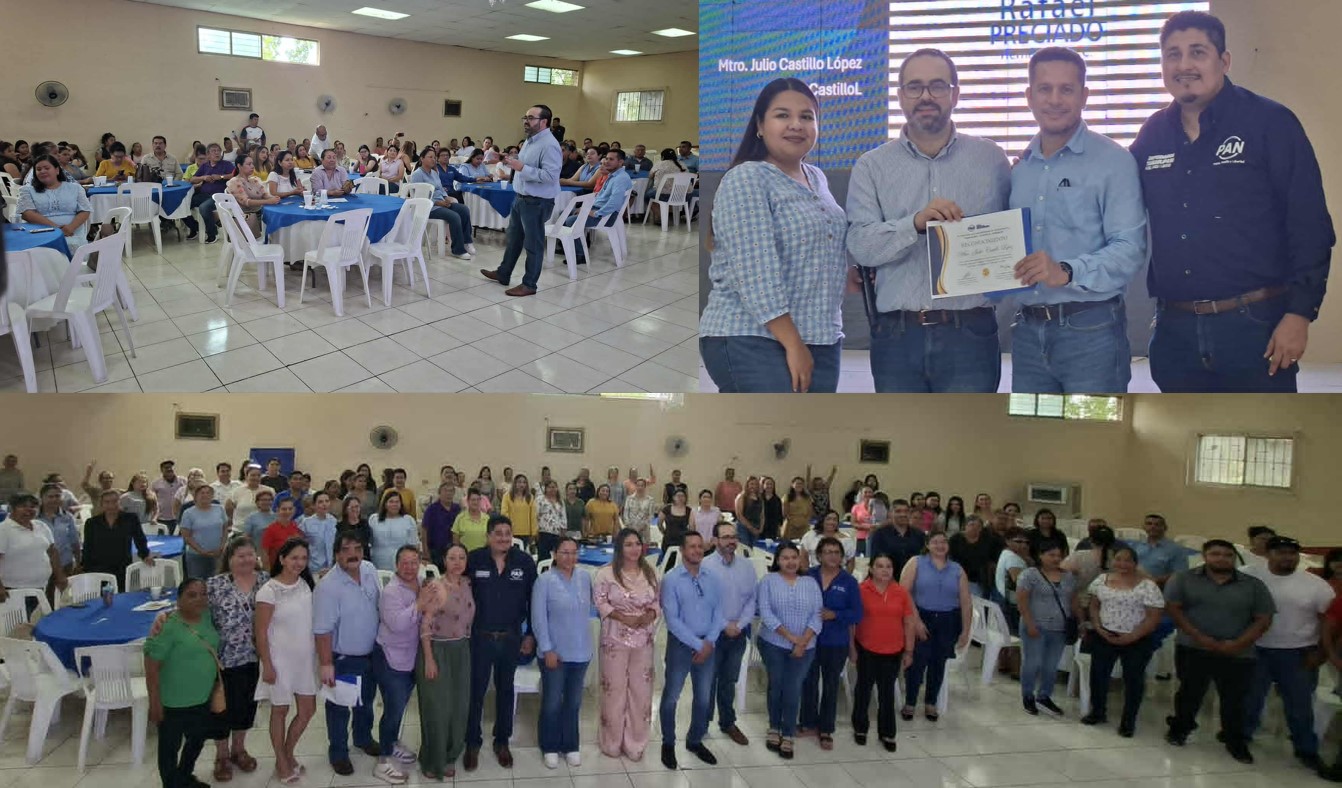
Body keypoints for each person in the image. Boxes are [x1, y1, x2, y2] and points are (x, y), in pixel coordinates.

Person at [1132, 11, 1334, 393]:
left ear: (1223, 61)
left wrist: (1299, 314)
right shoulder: (1153, 134)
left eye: (1197, 52)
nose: (1184, 65)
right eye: (1172, 54)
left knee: (1262, 443)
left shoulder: (1270, 122)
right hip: (1176, 335)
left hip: (1255, 326)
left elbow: (1309, 224)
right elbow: (1113, 198)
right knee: (1182, 446)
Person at [846, 48, 1012, 392]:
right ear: (900, 95)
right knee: (902, 439)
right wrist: (915, 224)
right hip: (896, 336)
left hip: (970, 334)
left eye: (937, 85)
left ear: (955, 93)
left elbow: (1013, 239)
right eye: (914, 87)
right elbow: (861, 245)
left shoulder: (993, 160)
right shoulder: (871, 166)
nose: (925, 96)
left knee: (967, 437)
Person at [1007, 49, 1148, 389]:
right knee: (1033, 436)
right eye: (1044, 89)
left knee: (1091, 437)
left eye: (1066, 89)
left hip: (1091, 334)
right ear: (1029, 96)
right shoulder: (1018, 168)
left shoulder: (1114, 161)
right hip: (1027, 336)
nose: (1054, 99)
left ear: (1084, 95)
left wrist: (1067, 270)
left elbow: (1129, 249)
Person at [700, 78, 845, 393]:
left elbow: (817, 250)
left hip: (820, 335)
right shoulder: (747, 177)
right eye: (783, 115)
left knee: (810, 438)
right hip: (752, 336)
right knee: (772, 437)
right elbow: (755, 273)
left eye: (807, 116)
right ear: (760, 126)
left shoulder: (816, 178)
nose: (796, 125)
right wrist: (793, 344)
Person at [1163, 539, 1275, 763]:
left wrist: (1239, 643)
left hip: (1238, 652)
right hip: (1193, 648)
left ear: (1234, 558)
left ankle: (1235, 741)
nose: (1222, 558)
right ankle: (1180, 730)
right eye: (1215, 554)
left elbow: (1263, 619)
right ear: (1205, 556)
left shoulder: (1253, 585)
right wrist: (1201, 638)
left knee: (1235, 699)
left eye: (1227, 555)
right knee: (1189, 693)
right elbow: (1174, 610)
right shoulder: (1184, 579)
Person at [1241, 535, 1333, 769]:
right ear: (1268, 554)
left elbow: (1328, 623)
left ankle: (1306, 749)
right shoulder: (1249, 575)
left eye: (1291, 553)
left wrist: (1321, 653)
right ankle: (1241, 737)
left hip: (1298, 653)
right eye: (1280, 552)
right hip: (1256, 649)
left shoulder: (1315, 585)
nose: (1287, 557)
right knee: (1250, 699)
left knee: (1299, 706)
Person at [464, 516, 537, 770]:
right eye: (498, 533)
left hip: (511, 638)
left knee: (506, 691)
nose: (503, 537)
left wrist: (531, 635)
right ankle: (472, 742)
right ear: (488, 536)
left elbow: (533, 602)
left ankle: (502, 741)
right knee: (475, 692)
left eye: (507, 533)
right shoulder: (473, 560)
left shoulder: (525, 562)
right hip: (480, 638)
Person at [145, 577, 225, 788]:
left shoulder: (208, 616)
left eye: (203, 594)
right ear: (178, 600)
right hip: (173, 700)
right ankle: (172, 783)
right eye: (192, 595)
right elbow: (151, 664)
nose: (199, 599)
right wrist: (154, 702)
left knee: (197, 739)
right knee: (169, 748)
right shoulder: (168, 626)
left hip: (202, 696)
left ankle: (183, 777)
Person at [313, 533, 382, 777]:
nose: (353, 553)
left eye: (357, 547)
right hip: (343, 658)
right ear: (336, 554)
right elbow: (322, 630)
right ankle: (339, 753)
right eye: (346, 549)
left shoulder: (370, 569)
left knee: (365, 702)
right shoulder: (328, 587)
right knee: (339, 708)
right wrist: (326, 664)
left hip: (371, 654)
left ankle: (363, 738)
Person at [655, 531, 724, 769]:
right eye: (691, 546)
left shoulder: (712, 577)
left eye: (699, 546)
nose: (696, 550)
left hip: (709, 644)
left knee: (703, 697)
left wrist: (710, 642)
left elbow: (720, 613)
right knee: (671, 696)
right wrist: (698, 645)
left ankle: (695, 740)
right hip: (681, 645)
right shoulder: (672, 579)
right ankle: (668, 743)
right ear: (683, 551)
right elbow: (672, 620)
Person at [478, 103, 563, 297]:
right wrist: (511, 161)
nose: (526, 121)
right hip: (521, 198)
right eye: (525, 117)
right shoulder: (530, 141)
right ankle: (503, 272)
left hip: (536, 201)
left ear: (544, 122)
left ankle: (529, 284)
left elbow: (551, 176)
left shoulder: (549, 145)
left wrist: (521, 167)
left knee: (533, 244)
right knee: (513, 239)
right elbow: (522, 166)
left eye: (531, 118)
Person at [1081, 545, 1165, 736]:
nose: (1122, 564)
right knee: (1099, 676)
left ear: (1135, 563)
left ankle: (1128, 721)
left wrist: (1132, 636)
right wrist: (1099, 628)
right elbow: (1094, 606)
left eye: (1128, 560)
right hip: (1105, 635)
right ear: (1112, 561)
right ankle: (1098, 712)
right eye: (1118, 559)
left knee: (1133, 680)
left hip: (1137, 639)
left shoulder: (1147, 585)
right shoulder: (1101, 580)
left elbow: (1154, 616)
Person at [254, 537, 318, 783]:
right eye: (294, 558)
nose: (299, 563)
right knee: (280, 710)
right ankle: (281, 760)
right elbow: (260, 633)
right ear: (282, 559)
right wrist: (267, 664)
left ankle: (288, 751)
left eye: (303, 558)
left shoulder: (304, 584)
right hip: (278, 660)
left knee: (307, 710)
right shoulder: (268, 591)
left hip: (304, 659)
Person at [594, 527, 660, 761]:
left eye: (637, 544)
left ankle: (635, 743)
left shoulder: (650, 573)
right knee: (614, 691)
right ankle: (611, 741)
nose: (634, 549)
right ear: (620, 548)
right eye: (629, 544)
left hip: (643, 640)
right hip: (614, 639)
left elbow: (656, 603)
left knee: (641, 693)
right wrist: (624, 618)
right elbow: (600, 602)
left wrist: (647, 617)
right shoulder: (606, 573)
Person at [531, 536, 593, 769]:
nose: (569, 557)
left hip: (581, 651)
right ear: (554, 554)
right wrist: (547, 649)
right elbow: (538, 619)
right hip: (554, 653)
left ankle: (571, 745)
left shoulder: (585, 577)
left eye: (574, 552)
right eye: (564, 552)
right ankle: (549, 745)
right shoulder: (544, 580)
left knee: (574, 702)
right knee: (552, 702)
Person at [757, 542, 822, 759]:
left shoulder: (811, 582)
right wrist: (791, 638)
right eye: (785, 558)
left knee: (793, 687)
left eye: (794, 557)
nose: (790, 562)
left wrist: (802, 641)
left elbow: (817, 614)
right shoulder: (768, 581)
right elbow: (765, 613)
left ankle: (788, 732)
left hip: (806, 646)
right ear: (777, 561)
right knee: (776, 685)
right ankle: (774, 726)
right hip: (773, 644)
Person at [899, 532, 972, 721]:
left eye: (944, 542)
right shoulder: (916, 562)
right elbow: (904, 593)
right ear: (927, 545)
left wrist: (965, 630)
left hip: (948, 620)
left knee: (938, 663)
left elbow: (966, 602)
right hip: (921, 615)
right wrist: (916, 621)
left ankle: (931, 702)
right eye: (935, 542)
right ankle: (910, 702)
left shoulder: (957, 569)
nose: (940, 545)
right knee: (916, 662)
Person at [799, 536, 863, 749]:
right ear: (818, 556)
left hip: (835, 642)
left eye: (837, 552)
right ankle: (808, 722)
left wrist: (835, 615)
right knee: (808, 681)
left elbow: (857, 614)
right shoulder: (808, 576)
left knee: (830, 685)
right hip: (809, 640)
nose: (833, 556)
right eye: (828, 552)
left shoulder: (849, 582)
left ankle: (826, 728)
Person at [416, 543, 473, 780]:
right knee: (437, 708)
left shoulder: (467, 584)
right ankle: (433, 759)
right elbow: (425, 626)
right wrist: (429, 659)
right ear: (444, 560)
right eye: (452, 558)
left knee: (458, 707)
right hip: (437, 651)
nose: (457, 562)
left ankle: (450, 754)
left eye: (462, 557)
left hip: (461, 650)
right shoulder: (436, 587)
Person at [369, 546, 422, 784]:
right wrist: (420, 605)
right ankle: (383, 760)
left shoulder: (421, 583)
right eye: (405, 563)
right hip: (390, 657)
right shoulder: (391, 591)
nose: (410, 567)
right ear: (396, 564)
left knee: (399, 708)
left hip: (411, 657)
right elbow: (399, 624)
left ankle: (392, 743)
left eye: (414, 562)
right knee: (392, 710)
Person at [851, 554, 915, 750]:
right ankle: (860, 727)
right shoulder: (861, 590)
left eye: (888, 566)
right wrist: (851, 648)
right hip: (867, 649)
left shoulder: (901, 592)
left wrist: (909, 651)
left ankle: (887, 733)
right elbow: (852, 622)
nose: (885, 570)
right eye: (880, 566)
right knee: (864, 690)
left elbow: (909, 622)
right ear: (871, 569)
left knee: (887, 693)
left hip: (893, 650)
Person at [701, 522, 755, 746]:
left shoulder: (746, 566)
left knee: (728, 680)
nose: (731, 541)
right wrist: (725, 624)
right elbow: (703, 602)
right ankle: (701, 724)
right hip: (712, 633)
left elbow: (752, 598)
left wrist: (740, 624)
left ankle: (728, 722)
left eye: (733, 537)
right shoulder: (705, 566)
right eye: (725, 537)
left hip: (738, 633)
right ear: (714, 541)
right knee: (707, 680)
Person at [1015, 540, 1077, 716]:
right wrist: (1029, 623)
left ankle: (1044, 695)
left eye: (1059, 555)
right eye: (1051, 555)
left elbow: (1072, 601)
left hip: (1059, 628)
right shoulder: (1029, 575)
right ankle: (1028, 695)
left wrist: (1078, 621)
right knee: (1032, 662)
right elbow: (1022, 601)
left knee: (1051, 665)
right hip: (1035, 625)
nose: (1056, 559)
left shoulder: (1069, 577)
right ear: (1040, 555)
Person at [563, 149, 633, 266]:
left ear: (620, 162)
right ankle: (570, 246)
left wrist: (593, 213)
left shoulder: (620, 179)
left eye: (611, 159)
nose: (606, 162)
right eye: (606, 158)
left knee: (571, 221)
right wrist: (586, 208)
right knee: (564, 213)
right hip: (598, 208)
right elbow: (600, 196)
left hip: (606, 215)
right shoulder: (612, 175)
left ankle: (580, 254)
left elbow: (614, 204)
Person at [16, 154, 92, 253]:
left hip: (72, 232)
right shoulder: (27, 190)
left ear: (57, 170)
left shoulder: (75, 188)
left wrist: (70, 228)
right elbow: (27, 214)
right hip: (41, 233)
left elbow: (85, 210)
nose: (42, 171)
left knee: (74, 247)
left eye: (46, 168)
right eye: (38, 169)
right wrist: (56, 229)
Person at [82, 488, 153, 591]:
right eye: (107, 502)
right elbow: (88, 546)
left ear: (120, 502)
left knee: (121, 597)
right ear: (101, 504)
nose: (111, 505)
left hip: (122, 567)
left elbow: (140, 539)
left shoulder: (131, 519)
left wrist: (145, 555)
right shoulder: (92, 523)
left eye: (115, 501)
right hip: (98, 569)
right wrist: (85, 568)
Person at [0, 493, 67, 602]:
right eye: (23, 506)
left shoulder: (41, 526)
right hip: (13, 591)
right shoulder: (3, 530)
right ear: (12, 508)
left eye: (32, 506)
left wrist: (60, 575)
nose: (28, 510)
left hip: (43, 587)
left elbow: (52, 552)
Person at [184, 143, 235, 244]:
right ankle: (195, 227)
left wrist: (221, 177)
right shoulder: (204, 166)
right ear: (208, 155)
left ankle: (213, 234)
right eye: (213, 151)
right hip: (204, 195)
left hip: (218, 196)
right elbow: (192, 179)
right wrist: (203, 177)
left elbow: (234, 175)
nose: (217, 153)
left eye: (218, 151)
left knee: (204, 207)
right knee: (182, 205)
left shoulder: (226, 164)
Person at [180, 484, 228, 579]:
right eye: (202, 493)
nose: (205, 495)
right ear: (195, 496)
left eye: (208, 493)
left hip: (218, 555)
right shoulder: (188, 513)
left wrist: (222, 547)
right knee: (197, 584)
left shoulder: (220, 509)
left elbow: (225, 529)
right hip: (196, 556)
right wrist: (201, 551)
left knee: (217, 582)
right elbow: (186, 536)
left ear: (212, 496)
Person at [868, 499, 926, 573]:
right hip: (888, 579)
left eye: (906, 511)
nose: (903, 514)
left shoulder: (919, 535)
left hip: (913, 578)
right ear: (890, 513)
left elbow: (924, 560)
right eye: (898, 511)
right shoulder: (880, 534)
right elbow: (875, 561)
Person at [949, 515, 1000, 598]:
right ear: (965, 526)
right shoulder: (955, 539)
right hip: (959, 576)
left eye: (978, 526)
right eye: (971, 524)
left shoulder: (989, 539)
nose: (974, 528)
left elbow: (994, 557)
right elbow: (950, 558)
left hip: (981, 579)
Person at [38, 484, 80, 577]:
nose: (54, 499)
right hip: (42, 566)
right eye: (50, 496)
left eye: (57, 496)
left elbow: (75, 542)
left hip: (65, 565)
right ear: (42, 498)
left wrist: (78, 563)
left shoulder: (68, 517)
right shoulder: (35, 518)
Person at [421, 482, 461, 570]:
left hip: (452, 551)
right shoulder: (431, 509)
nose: (448, 493)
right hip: (435, 551)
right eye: (445, 491)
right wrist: (425, 552)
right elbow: (424, 530)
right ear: (439, 493)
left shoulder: (457, 509)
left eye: (451, 491)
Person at [300, 492, 339, 576]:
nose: (324, 504)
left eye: (327, 501)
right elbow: (301, 546)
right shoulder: (306, 523)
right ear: (314, 505)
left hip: (332, 567)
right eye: (320, 502)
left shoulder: (334, 521)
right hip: (314, 567)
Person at [261, 499, 303, 567]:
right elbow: (265, 553)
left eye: (290, 509)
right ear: (278, 510)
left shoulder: (297, 527)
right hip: (277, 570)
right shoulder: (271, 529)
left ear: (294, 510)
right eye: (284, 509)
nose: (287, 512)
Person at [499, 474, 536, 549]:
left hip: (526, 532)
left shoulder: (530, 497)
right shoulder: (507, 496)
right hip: (511, 531)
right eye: (519, 482)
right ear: (515, 483)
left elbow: (533, 516)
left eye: (524, 482)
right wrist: (507, 528)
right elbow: (504, 513)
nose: (522, 484)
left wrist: (534, 532)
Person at [534, 480, 567, 562]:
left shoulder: (560, 501)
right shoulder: (539, 500)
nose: (552, 489)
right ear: (545, 488)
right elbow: (535, 516)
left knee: (556, 557)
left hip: (556, 533)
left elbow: (563, 517)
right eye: (550, 487)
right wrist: (535, 531)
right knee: (543, 557)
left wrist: (563, 531)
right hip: (543, 532)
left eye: (554, 487)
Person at [622, 478, 657, 546]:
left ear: (645, 487)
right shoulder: (629, 498)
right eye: (638, 485)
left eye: (642, 485)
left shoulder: (650, 500)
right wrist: (629, 525)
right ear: (636, 486)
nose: (640, 487)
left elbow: (651, 515)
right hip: (631, 529)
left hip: (644, 530)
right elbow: (625, 513)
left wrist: (643, 525)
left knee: (644, 552)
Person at [733, 476, 762, 547]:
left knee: (755, 549)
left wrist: (761, 528)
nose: (753, 486)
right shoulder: (741, 497)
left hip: (756, 527)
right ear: (747, 485)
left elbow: (762, 514)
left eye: (755, 484)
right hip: (743, 527)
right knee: (745, 549)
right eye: (751, 484)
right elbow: (739, 515)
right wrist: (751, 528)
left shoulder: (760, 497)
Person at [759, 477, 784, 541]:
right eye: (767, 484)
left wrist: (779, 529)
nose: (769, 486)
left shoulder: (777, 499)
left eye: (771, 484)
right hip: (760, 528)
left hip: (773, 529)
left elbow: (780, 515)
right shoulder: (759, 498)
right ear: (763, 485)